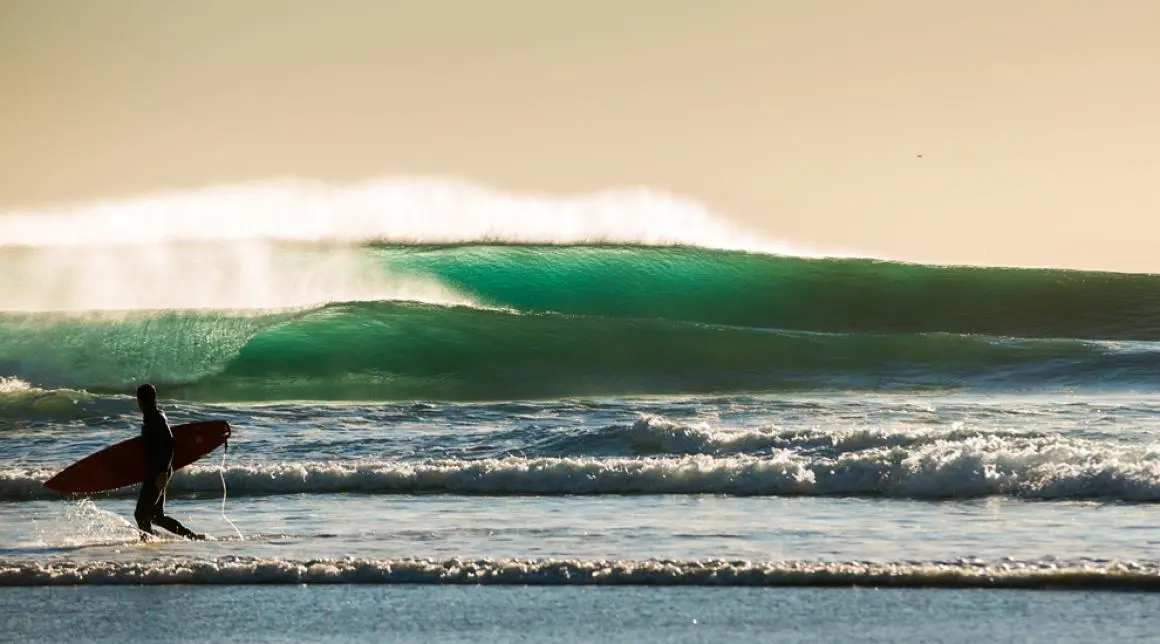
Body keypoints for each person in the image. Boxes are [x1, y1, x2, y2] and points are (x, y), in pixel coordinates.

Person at [134, 383, 204, 540]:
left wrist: (162, 473)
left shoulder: (156, 418)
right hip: (157, 470)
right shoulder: (151, 416)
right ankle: (191, 537)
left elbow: (169, 445)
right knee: (155, 516)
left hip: (158, 471)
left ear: (140, 400)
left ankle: (147, 542)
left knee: (140, 514)